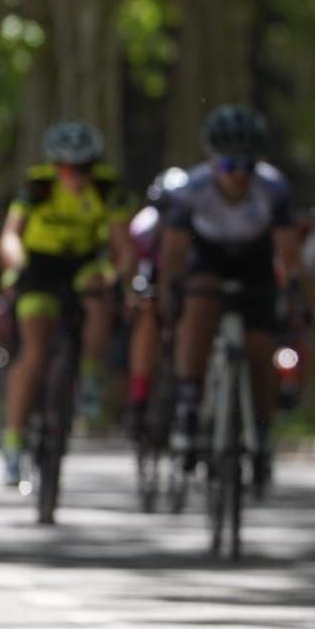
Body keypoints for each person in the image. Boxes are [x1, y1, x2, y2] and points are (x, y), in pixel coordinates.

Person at [160, 105, 302, 487]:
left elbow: (287, 249)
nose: (239, 175)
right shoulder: (192, 188)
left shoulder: (273, 188)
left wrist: (294, 290)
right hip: (209, 257)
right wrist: (170, 291)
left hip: (254, 260)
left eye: (247, 166)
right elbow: (174, 250)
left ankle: (260, 429)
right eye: (228, 167)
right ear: (212, 162)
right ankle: (190, 406)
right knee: (199, 309)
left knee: (260, 349)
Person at [0, 122, 132, 486]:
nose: (76, 176)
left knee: (98, 294)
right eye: (68, 168)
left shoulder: (107, 189)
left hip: (84, 261)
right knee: (35, 351)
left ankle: (89, 375)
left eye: (84, 168)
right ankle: (13, 443)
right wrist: (17, 267)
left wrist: (116, 276)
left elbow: (123, 247)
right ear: (56, 167)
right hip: (39, 264)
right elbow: (11, 236)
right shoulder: (37, 187)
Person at [121, 165, 190, 437]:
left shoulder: (199, 221)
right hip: (153, 275)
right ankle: (139, 399)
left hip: (188, 278)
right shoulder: (144, 227)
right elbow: (133, 266)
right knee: (147, 314)